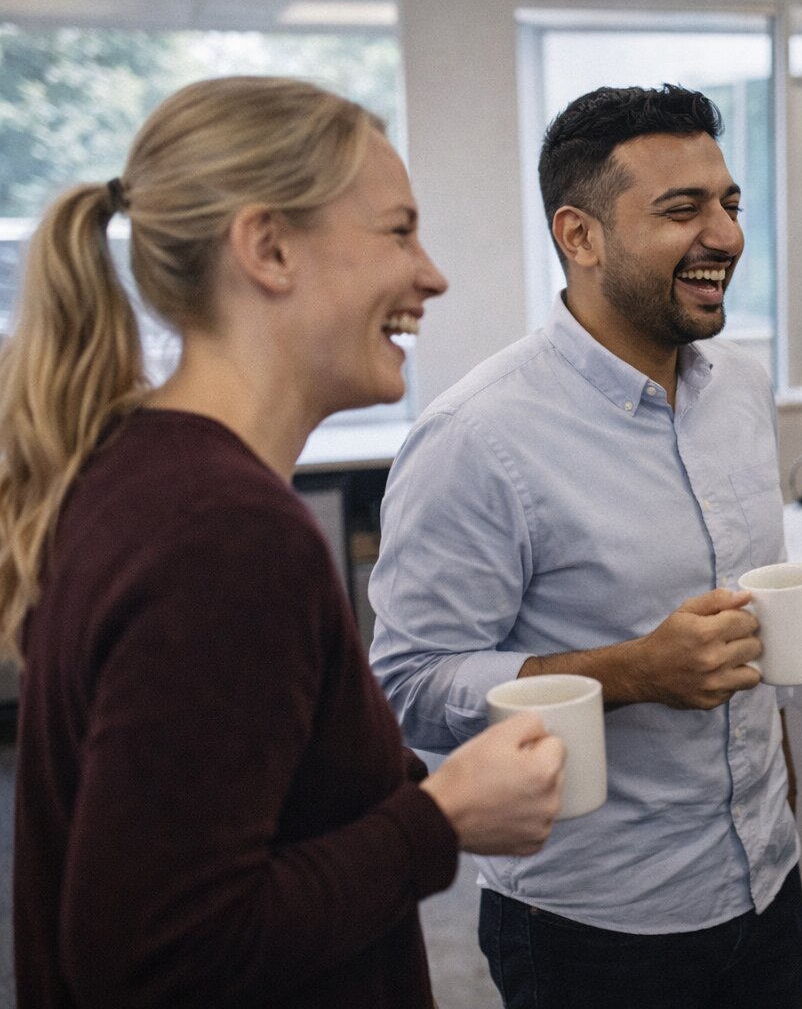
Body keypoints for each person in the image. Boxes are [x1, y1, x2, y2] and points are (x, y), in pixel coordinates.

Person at [0, 76, 566, 1008]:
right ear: (267, 248)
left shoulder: (137, 469)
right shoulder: (223, 537)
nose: (431, 274)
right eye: (398, 231)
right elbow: (153, 953)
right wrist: (439, 819)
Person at [368, 84, 802, 1009]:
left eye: (729, 204)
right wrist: (632, 671)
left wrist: (774, 775)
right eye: (682, 211)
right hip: (595, 926)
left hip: (767, 881)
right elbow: (409, 686)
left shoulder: (741, 390)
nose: (725, 236)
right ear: (580, 236)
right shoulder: (477, 438)